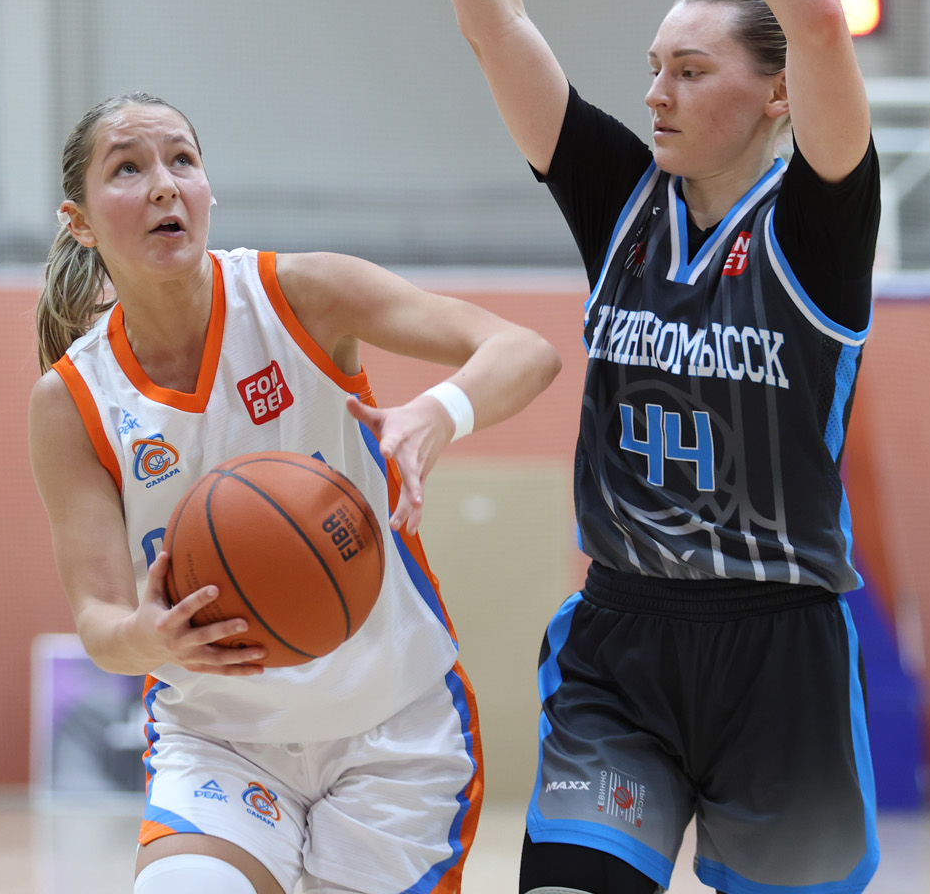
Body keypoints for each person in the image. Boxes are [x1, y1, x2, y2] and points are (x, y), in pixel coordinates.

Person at [412, 0, 881, 891]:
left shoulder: (817, 229)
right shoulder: (622, 200)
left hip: (779, 649)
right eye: (653, 68)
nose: (656, 93)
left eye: (692, 69)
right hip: (623, 641)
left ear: (775, 95)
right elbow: (493, 23)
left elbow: (822, 22)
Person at [28, 92, 562, 894]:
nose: (164, 184)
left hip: (394, 729)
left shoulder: (299, 296)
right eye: (128, 169)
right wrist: (150, 636)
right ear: (80, 222)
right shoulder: (72, 402)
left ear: (208, 190)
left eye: (182, 160)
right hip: (220, 741)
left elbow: (524, 350)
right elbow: (101, 624)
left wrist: (435, 414)